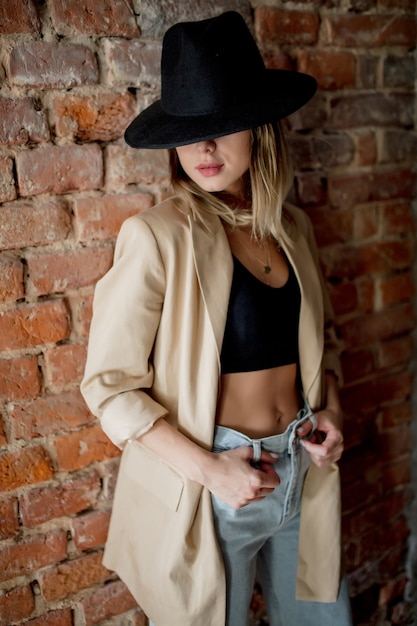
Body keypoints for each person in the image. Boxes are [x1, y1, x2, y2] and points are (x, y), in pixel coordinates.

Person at [81, 11, 353, 626]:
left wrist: (331, 408)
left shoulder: (295, 229)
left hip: (304, 467)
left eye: (223, 127)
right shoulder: (156, 236)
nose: (204, 149)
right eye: (190, 131)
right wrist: (211, 470)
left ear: (259, 127)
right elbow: (109, 387)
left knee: (322, 620)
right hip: (215, 484)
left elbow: (322, 342)